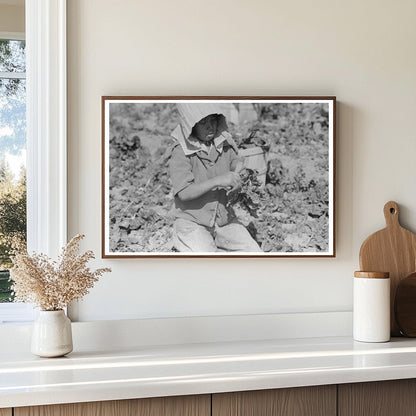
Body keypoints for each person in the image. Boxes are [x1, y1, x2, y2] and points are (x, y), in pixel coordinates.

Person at [169, 103, 262, 252]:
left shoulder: (223, 143)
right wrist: (217, 181)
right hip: (192, 221)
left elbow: (236, 164)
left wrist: (240, 176)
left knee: (253, 252)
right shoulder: (181, 151)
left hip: (224, 221)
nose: (210, 127)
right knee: (205, 258)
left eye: (213, 120)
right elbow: (184, 193)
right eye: (203, 122)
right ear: (191, 126)